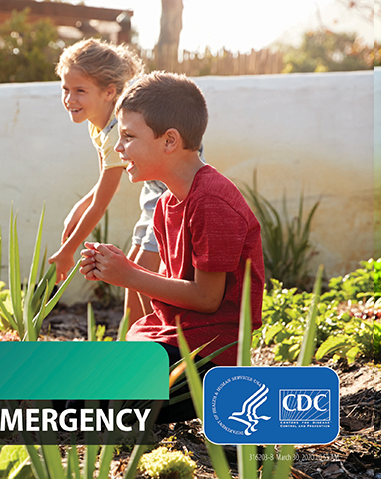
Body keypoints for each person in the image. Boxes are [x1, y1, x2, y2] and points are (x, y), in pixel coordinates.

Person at [79, 72, 265, 422]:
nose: (118, 148)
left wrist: (129, 274)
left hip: (208, 360)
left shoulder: (211, 200)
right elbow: (171, 289)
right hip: (172, 340)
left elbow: (207, 298)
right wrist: (115, 269)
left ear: (169, 141)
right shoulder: (167, 204)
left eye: (129, 137)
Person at [45, 39, 155, 320]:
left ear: (109, 92)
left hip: (171, 198)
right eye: (65, 89)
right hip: (154, 198)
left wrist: (67, 251)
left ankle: (149, 349)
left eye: (80, 91)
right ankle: (136, 347)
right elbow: (101, 184)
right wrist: (77, 208)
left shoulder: (117, 130)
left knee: (140, 274)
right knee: (137, 275)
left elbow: (102, 202)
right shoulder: (100, 127)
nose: (70, 99)